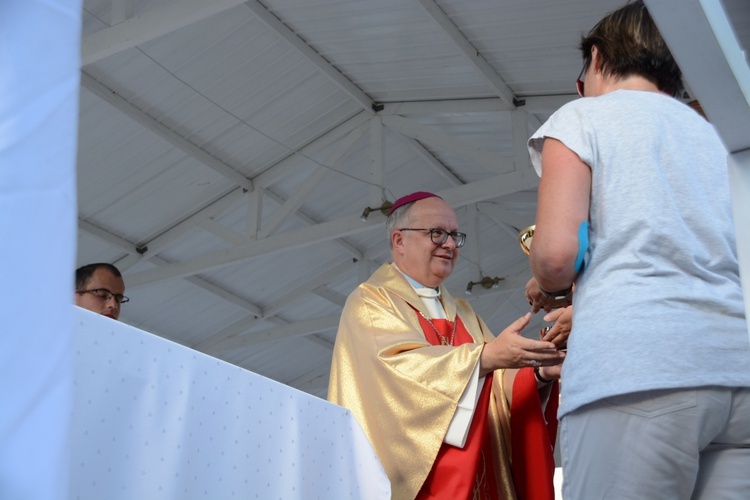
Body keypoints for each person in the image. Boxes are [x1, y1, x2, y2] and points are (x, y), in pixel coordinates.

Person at [526, 1, 750, 498]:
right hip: (737, 367)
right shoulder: (721, 136)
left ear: (599, 59)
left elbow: (559, 256)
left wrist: (545, 278)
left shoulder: (582, 117)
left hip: (637, 368)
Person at [328, 191, 567, 499]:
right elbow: (398, 377)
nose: (451, 244)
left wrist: (539, 371)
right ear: (399, 241)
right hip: (426, 485)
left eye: (455, 235)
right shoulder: (371, 301)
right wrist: (486, 357)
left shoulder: (464, 312)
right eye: (437, 233)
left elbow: (496, 389)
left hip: (483, 476)